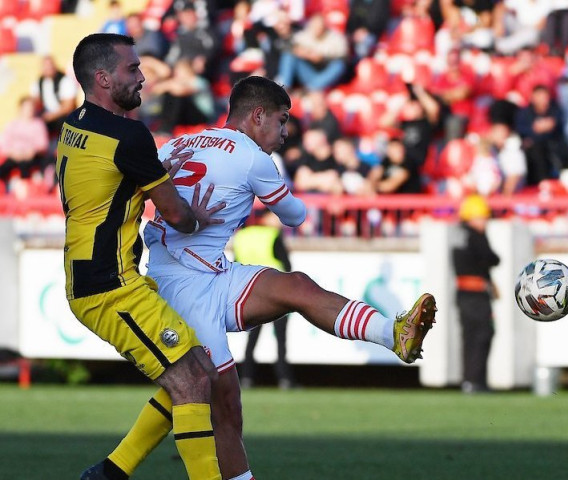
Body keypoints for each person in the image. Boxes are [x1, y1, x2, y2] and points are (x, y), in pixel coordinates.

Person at [83, 76, 437, 480]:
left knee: (296, 286)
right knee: (222, 405)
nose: (285, 133)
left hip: (206, 272)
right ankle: (115, 470)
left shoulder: (180, 143)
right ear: (257, 116)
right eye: (282, 121)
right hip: (185, 289)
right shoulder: (252, 158)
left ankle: (393, 333)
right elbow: (295, 216)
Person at [64, 33, 225, 480]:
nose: (142, 77)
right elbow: (177, 216)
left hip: (92, 276)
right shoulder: (129, 136)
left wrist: (149, 175)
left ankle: (111, 473)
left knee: (200, 370)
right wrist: (197, 218)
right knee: (191, 381)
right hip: (109, 285)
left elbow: (105, 183)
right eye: (132, 69)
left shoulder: (74, 124)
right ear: (102, 77)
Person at [236, 210, 295, 390]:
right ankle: (284, 379)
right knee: (281, 340)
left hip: (251, 295)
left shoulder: (242, 237)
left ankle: (245, 378)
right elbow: (287, 266)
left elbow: (235, 265)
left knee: (252, 339)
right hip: (276, 294)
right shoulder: (273, 235)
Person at [452, 195, 500, 393]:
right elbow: (491, 259)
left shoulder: (459, 237)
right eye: (482, 217)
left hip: (464, 295)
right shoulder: (476, 237)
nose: (485, 222)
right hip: (476, 296)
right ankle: (477, 381)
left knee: (470, 337)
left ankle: (470, 380)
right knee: (482, 336)